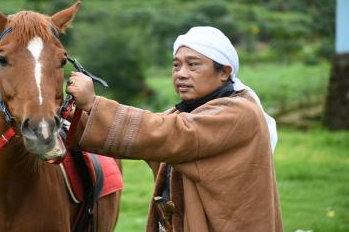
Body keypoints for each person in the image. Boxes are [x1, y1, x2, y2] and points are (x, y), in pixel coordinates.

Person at [66, 26, 283, 231]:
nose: (181, 73)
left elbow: (170, 133)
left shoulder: (240, 112)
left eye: (193, 64)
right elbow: (150, 133)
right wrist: (61, 111)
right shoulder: (190, 112)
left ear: (224, 72)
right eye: (176, 65)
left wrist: (94, 104)